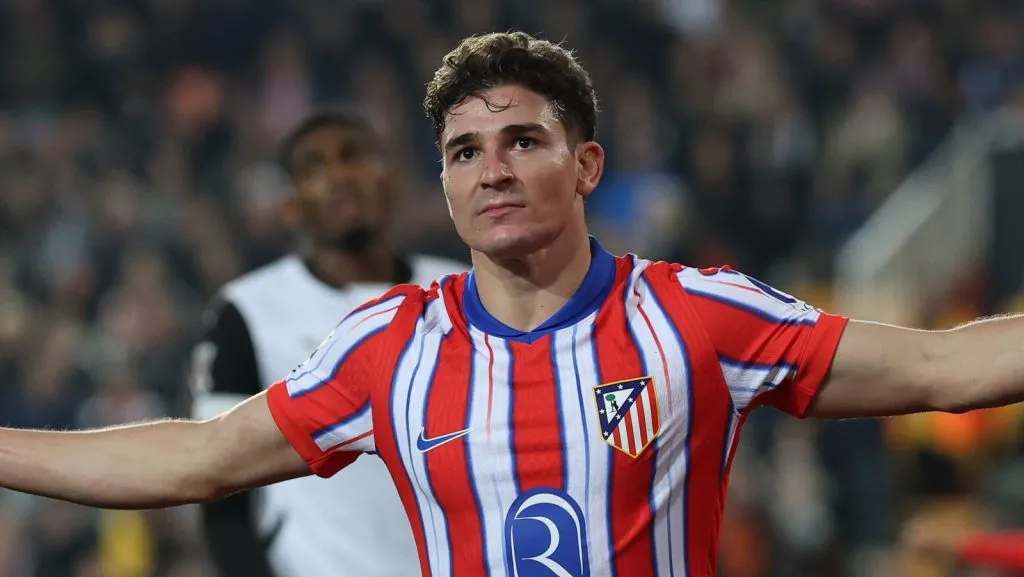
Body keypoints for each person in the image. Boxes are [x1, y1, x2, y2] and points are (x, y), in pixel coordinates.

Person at [4, 31, 1024, 576]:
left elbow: (940, 368)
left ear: (585, 165)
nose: (490, 170)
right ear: (441, 188)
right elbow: (196, 456)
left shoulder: (695, 318)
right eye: (462, 153)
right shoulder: (386, 349)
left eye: (521, 141)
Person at [187, 109, 467, 577]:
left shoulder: (462, 292)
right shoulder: (247, 311)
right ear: (291, 205)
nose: (338, 176)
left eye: (353, 156)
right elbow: (216, 481)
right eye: (313, 167)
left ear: (390, 180)